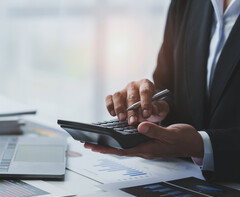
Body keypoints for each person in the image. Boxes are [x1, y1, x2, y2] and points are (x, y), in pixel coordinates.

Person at [85, 0, 240, 181]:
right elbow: (168, 87)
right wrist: (155, 109)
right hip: (185, 180)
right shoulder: (185, 4)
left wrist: (201, 145)